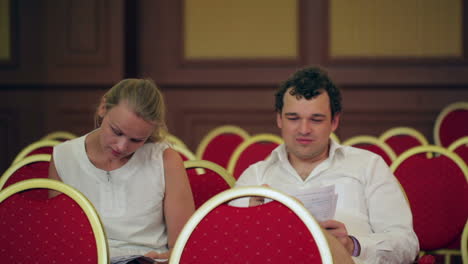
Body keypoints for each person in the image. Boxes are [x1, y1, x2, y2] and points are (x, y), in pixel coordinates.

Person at [230, 67, 419, 263]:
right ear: (279, 119)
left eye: (316, 119)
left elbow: (407, 244)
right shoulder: (255, 177)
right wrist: (250, 224)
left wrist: (353, 245)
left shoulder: (369, 167)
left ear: (334, 121)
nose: (304, 129)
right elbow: (227, 246)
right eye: (293, 118)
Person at [48, 78, 195, 261]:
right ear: (103, 108)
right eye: (117, 132)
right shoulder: (64, 157)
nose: (121, 146)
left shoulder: (165, 160)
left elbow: (183, 246)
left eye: (137, 140)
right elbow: (61, 240)